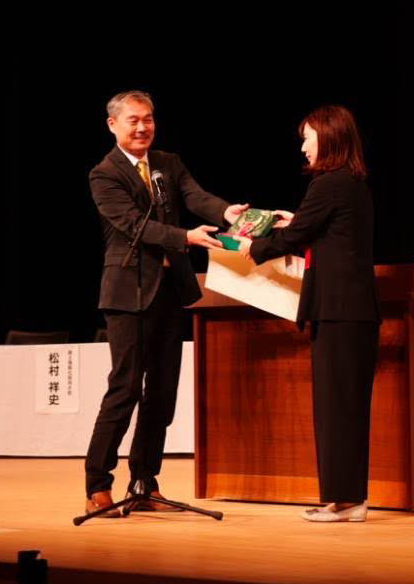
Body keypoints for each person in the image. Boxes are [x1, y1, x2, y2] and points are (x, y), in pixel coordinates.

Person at [84, 90, 248, 517]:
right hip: (128, 293)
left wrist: (227, 212)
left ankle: (145, 481)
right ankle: (97, 484)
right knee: (124, 389)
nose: (143, 128)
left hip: (169, 291)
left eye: (149, 119)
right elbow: (133, 225)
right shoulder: (104, 174)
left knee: (161, 393)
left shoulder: (168, 164)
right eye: (134, 120)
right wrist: (185, 237)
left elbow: (196, 197)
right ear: (113, 125)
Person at [235, 105, 380, 522]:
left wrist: (253, 246)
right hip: (351, 312)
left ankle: (345, 500)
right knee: (346, 408)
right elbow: (319, 229)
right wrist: (296, 221)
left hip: (339, 311)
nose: (303, 147)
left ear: (329, 137)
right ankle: (348, 498)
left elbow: (296, 236)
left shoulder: (329, 184)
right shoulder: (350, 183)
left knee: (337, 408)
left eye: (308, 138)